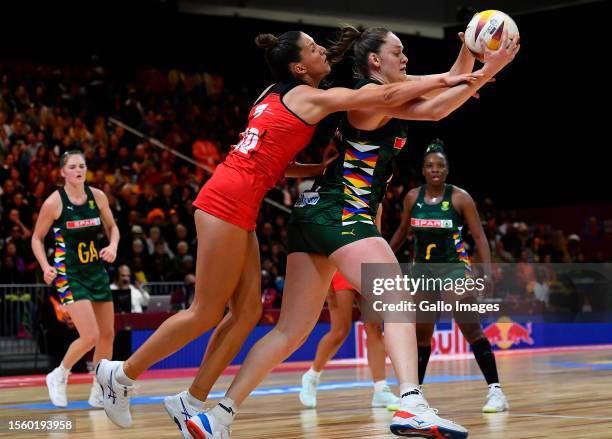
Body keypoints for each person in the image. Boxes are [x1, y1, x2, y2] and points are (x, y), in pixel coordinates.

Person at [96, 29, 481, 433]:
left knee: (248, 314)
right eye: (314, 49)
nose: (322, 51)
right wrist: (452, 77)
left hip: (244, 199)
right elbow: (385, 98)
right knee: (205, 311)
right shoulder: (308, 96)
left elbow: (269, 156)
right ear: (299, 67)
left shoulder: (273, 92)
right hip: (236, 202)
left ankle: (195, 403)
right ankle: (119, 375)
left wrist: (316, 169)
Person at [187, 26, 518, 438]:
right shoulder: (370, 99)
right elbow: (436, 109)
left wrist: (471, 53)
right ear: (375, 61)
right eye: (399, 52)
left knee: (290, 331)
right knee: (396, 296)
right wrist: (489, 68)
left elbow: (446, 84)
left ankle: (215, 417)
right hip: (343, 212)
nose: (407, 59)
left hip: (313, 214)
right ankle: (411, 402)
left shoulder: (387, 91)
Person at [389, 140, 509, 413]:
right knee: (421, 335)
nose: (434, 170)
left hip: (454, 268)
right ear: (422, 170)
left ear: (447, 170)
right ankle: (414, 397)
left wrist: (487, 273)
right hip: (421, 270)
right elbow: (401, 232)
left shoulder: (460, 197)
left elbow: (479, 236)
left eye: (440, 166)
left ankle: (496, 392)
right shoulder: (411, 198)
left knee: (470, 327)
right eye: (430, 165)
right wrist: (380, 254)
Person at [31, 150, 119, 408]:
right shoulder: (54, 202)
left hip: (96, 271)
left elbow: (112, 228)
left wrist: (112, 245)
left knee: (107, 334)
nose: (79, 170)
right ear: (63, 172)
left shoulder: (98, 197)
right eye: (73, 166)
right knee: (90, 335)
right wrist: (45, 266)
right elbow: (36, 238)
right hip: (69, 273)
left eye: (82, 165)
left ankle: (98, 390)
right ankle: (59, 375)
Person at [299, 207, 400, 410]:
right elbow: (323, 238)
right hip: (338, 266)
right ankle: (312, 376)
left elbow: (375, 235)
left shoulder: (376, 199)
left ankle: (381, 390)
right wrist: (325, 278)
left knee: (374, 328)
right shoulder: (336, 192)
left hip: (367, 265)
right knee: (340, 330)